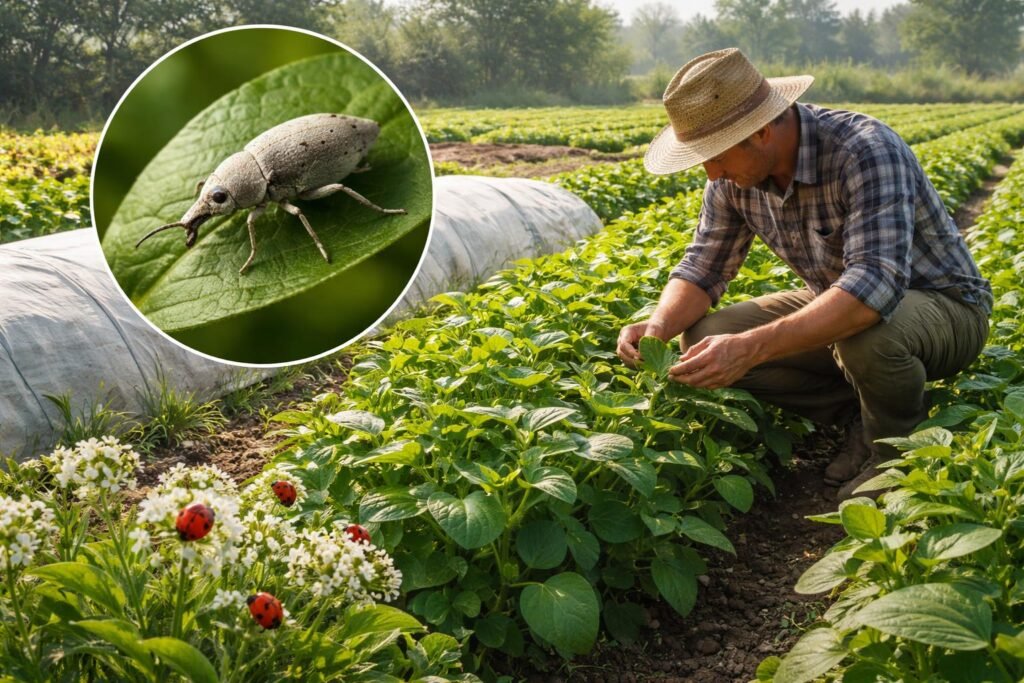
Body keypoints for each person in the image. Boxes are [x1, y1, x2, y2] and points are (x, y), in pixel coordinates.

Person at [616, 48, 992, 499]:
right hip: (845, 306)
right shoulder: (732, 179)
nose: (710, 172)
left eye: (714, 154)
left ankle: (895, 455)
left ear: (760, 132)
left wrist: (752, 347)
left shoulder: (864, 149)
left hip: (945, 308)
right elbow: (703, 265)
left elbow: (874, 289)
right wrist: (657, 327)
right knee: (702, 340)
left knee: (869, 337)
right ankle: (863, 415)